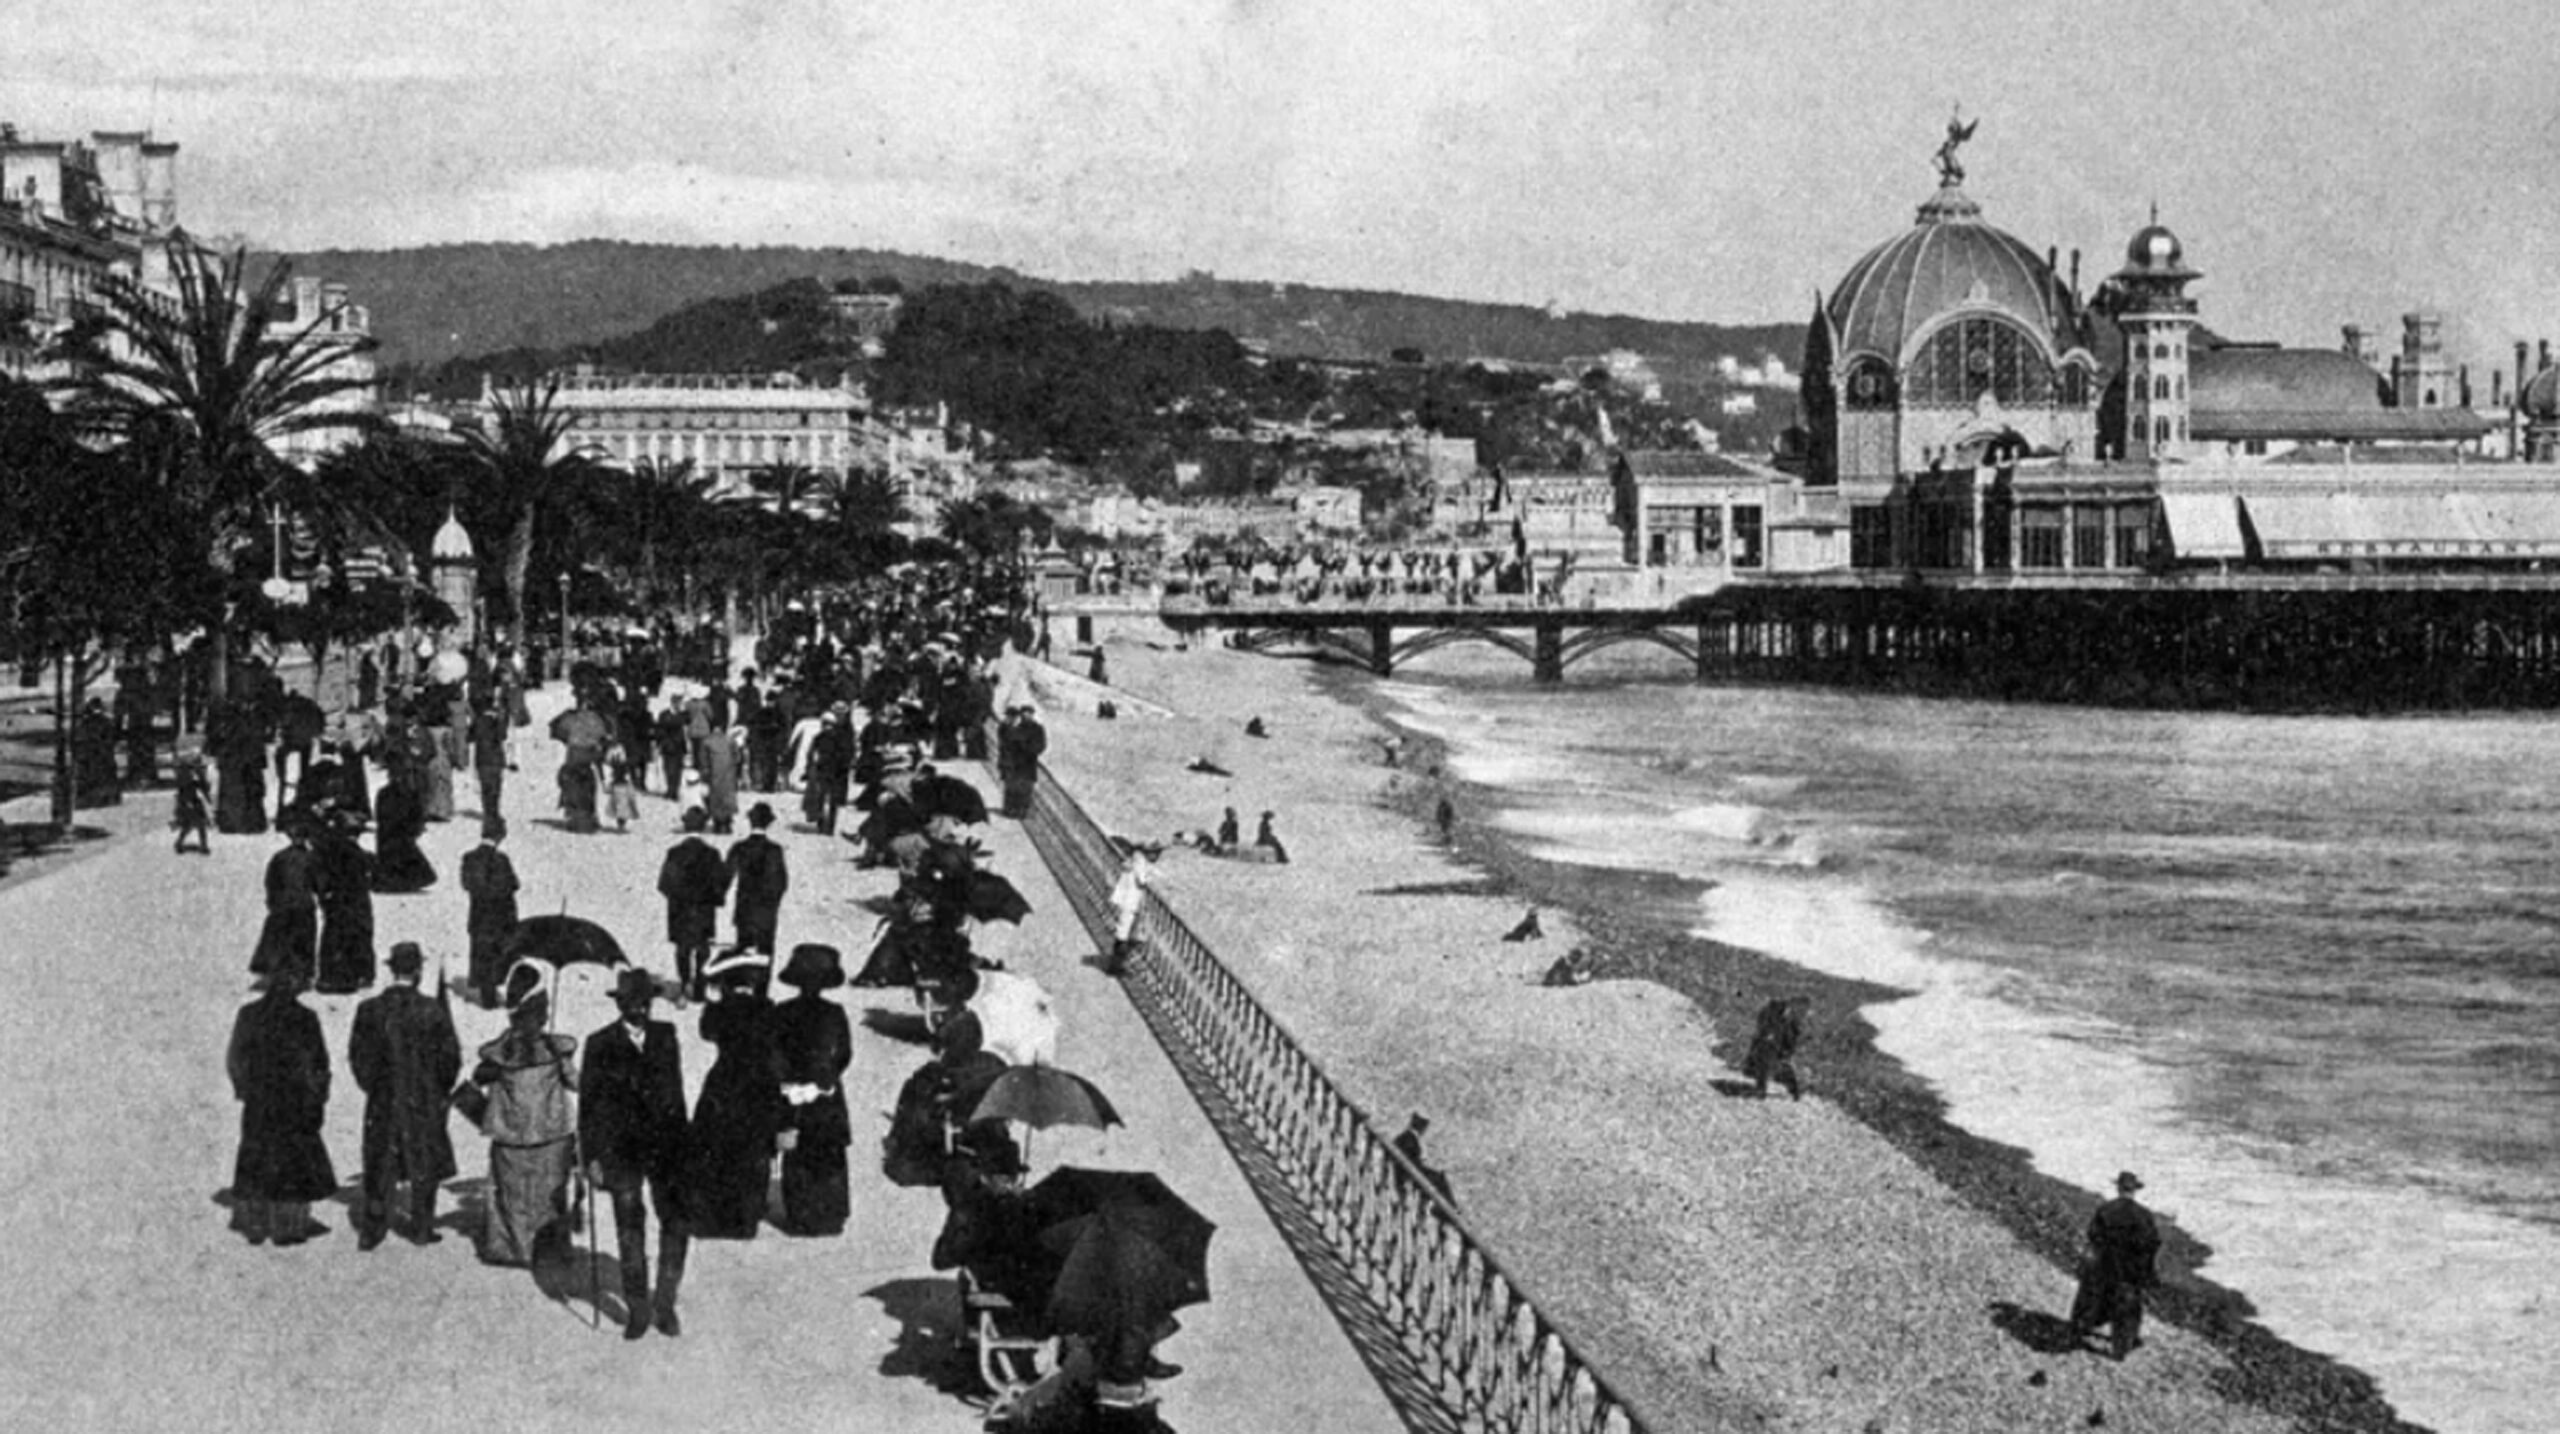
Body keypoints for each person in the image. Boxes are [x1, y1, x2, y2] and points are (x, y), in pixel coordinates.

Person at [582, 968, 693, 1340]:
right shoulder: (599, 1043)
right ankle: (638, 1309)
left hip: (667, 1148)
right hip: (620, 1151)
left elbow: (676, 1093)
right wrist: (592, 1157)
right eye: (633, 1003)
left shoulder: (667, 1036)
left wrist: (685, 1144)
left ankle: (665, 1303)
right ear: (621, 1004)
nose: (640, 1010)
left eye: (646, 1003)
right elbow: (589, 1107)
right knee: (630, 1231)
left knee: (675, 1225)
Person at [348, 941, 462, 1249]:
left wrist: (375, 1087)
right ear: (418, 971)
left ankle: (373, 1230)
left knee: (379, 1162)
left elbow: (358, 1057)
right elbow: (451, 1058)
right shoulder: (433, 1010)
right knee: (424, 1160)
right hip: (423, 1098)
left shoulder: (369, 1009)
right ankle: (422, 1227)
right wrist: (438, 1089)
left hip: (383, 1099)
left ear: (391, 969)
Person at [466, 966, 580, 1268]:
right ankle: (547, 1250)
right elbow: (577, 1083)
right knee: (549, 1196)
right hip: (552, 1133)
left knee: (512, 1195)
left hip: (510, 1134)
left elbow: (475, 1080)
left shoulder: (498, 1055)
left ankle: (512, 1249)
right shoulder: (556, 1051)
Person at [225, 965, 337, 1246]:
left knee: (256, 1157)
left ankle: (256, 1224)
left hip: (260, 1102)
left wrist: (245, 1090)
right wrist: (318, 1099)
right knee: (292, 1164)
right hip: (295, 1103)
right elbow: (319, 1065)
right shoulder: (306, 1018)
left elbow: (236, 1058)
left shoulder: (249, 1014)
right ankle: (288, 1227)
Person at [683, 950, 781, 1240]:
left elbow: (706, 1032)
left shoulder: (719, 1010)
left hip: (724, 1081)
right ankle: (746, 1217)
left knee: (718, 1147)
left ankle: (717, 1215)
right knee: (753, 1148)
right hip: (758, 1083)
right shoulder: (767, 1008)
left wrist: (715, 1001)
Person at [770, 943, 853, 1237]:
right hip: (824, 1092)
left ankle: (804, 1215)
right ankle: (828, 1215)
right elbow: (844, 1054)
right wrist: (825, 1080)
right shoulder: (834, 1012)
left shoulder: (783, 1011)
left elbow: (774, 1053)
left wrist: (790, 1084)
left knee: (802, 1152)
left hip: (800, 1092)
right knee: (825, 1152)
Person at [2071, 1171, 2163, 1359]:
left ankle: (2082, 1329)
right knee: (2129, 1307)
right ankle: (2122, 1347)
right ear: (2134, 1190)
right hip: (2131, 1270)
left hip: (2106, 1266)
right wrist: (2146, 1270)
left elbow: (2093, 1236)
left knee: (2094, 1299)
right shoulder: (2144, 1215)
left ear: (2118, 1188)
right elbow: (2153, 1243)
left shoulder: (2105, 1209)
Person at [658, 807, 731, 1002]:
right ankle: (699, 985)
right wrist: (713, 900)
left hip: (680, 910)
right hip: (703, 909)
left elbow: (664, 884)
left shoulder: (674, 853)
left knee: (682, 948)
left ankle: (683, 984)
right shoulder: (712, 854)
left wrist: (677, 899)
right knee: (702, 948)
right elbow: (720, 883)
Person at [312, 809, 380, 995]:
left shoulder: (327, 849)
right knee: (357, 935)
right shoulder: (354, 853)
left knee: (334, 936)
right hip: (355, 902)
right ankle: (356, 974)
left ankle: (330, 975)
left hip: (335, 902)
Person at [250, 819, 320, 986]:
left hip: (283, 904)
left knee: (278, 938)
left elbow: (271, 881)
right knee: (302, 940)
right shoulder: (311, 859)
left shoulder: (280, 857)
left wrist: (272, 900)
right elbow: (319, 883)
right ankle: (301, 974)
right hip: (303, 905)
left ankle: (274, 972)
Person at [459, 817, 520, 1007]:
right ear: (501, 835)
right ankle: (494, 994)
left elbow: (467, 884)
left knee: (481, 953)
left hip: (478, 915)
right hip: (501, 916)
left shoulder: (469, 857)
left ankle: (486, 994)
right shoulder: (501, 859)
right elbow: (514, 884)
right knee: (499, 955)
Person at [724, 802, 789, 955]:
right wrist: (773, 902)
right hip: (766, 910)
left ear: (750, 822)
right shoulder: (775, 850)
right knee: (765, 951)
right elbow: (782, 882)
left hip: (744, 906)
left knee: (742, 951)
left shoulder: (739, 847)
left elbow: (726, 875)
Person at [1742, 995, 1807, 1100]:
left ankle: (1793, 1091)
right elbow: (1762, 1024)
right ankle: (1761, 1089)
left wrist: (1788, 1050)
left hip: (1781, 1043)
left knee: (1782, 1066)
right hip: (1767, 1042)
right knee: (1764, 1062)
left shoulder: (1792, 1018)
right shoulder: (1770, 1011)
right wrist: (1765, 1033)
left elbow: (1793, 1035)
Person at [1102, 846, 1154, 977]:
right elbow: (1142, 879)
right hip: (1131, 902)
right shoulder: (1140, 861)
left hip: (1126, 900)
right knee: (1124, 935)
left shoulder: (1133, 858)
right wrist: (1150, 877)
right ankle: (1116, 965)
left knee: (1123, 933)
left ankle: (1116, 963)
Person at [995, 704, 1047, 819]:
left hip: (1028, 763)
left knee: (1025, 789)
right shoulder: (1017, 728)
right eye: (1024, 714)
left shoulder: (1038, 729)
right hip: (1015, 763)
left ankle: (1022, 811)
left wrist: (1028, 749)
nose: (1026, 716)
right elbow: (1007, 741)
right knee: (1012, 787)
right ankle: (1009, 810)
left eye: (1028, 714)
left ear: (1032, 715)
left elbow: (1041, 745)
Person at [1391, 1113, 1455, 1200]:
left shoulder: (1405, 1136)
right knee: (1440, 1179)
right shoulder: (1409, 1138)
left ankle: (1444, 1207)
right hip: (1411, 1175)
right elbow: (1413, 1162)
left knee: (1437, 1177)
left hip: (1409, 1173)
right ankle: (1446, 1208)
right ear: (1422, 1126)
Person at [468, 695, 509, 823]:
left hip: (482, 757)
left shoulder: (478, 720)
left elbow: (469, 737)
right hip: (496, 757)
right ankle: (495, 811)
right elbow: (503, 735)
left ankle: (488, 811)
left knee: (485, 787)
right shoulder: (497, 719)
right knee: (496, 787)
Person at [700, 724, 741, 834]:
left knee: (715, 798)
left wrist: (705, 772)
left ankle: (718, 824)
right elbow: (737, 757)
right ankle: (727, 824)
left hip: (714, 775)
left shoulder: (707, 742)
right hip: (729, 774)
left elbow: (703, 760)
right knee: (728, 797)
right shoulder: (730, 741)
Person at [172, 752, 213, 854]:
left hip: (191, 801)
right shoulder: (185, 775)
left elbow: (203, 788)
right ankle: (203, 847)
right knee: (200, 824)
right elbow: (185, 790)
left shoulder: (193, 774)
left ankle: (179, 843)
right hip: (188, 802)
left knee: (189, 825)